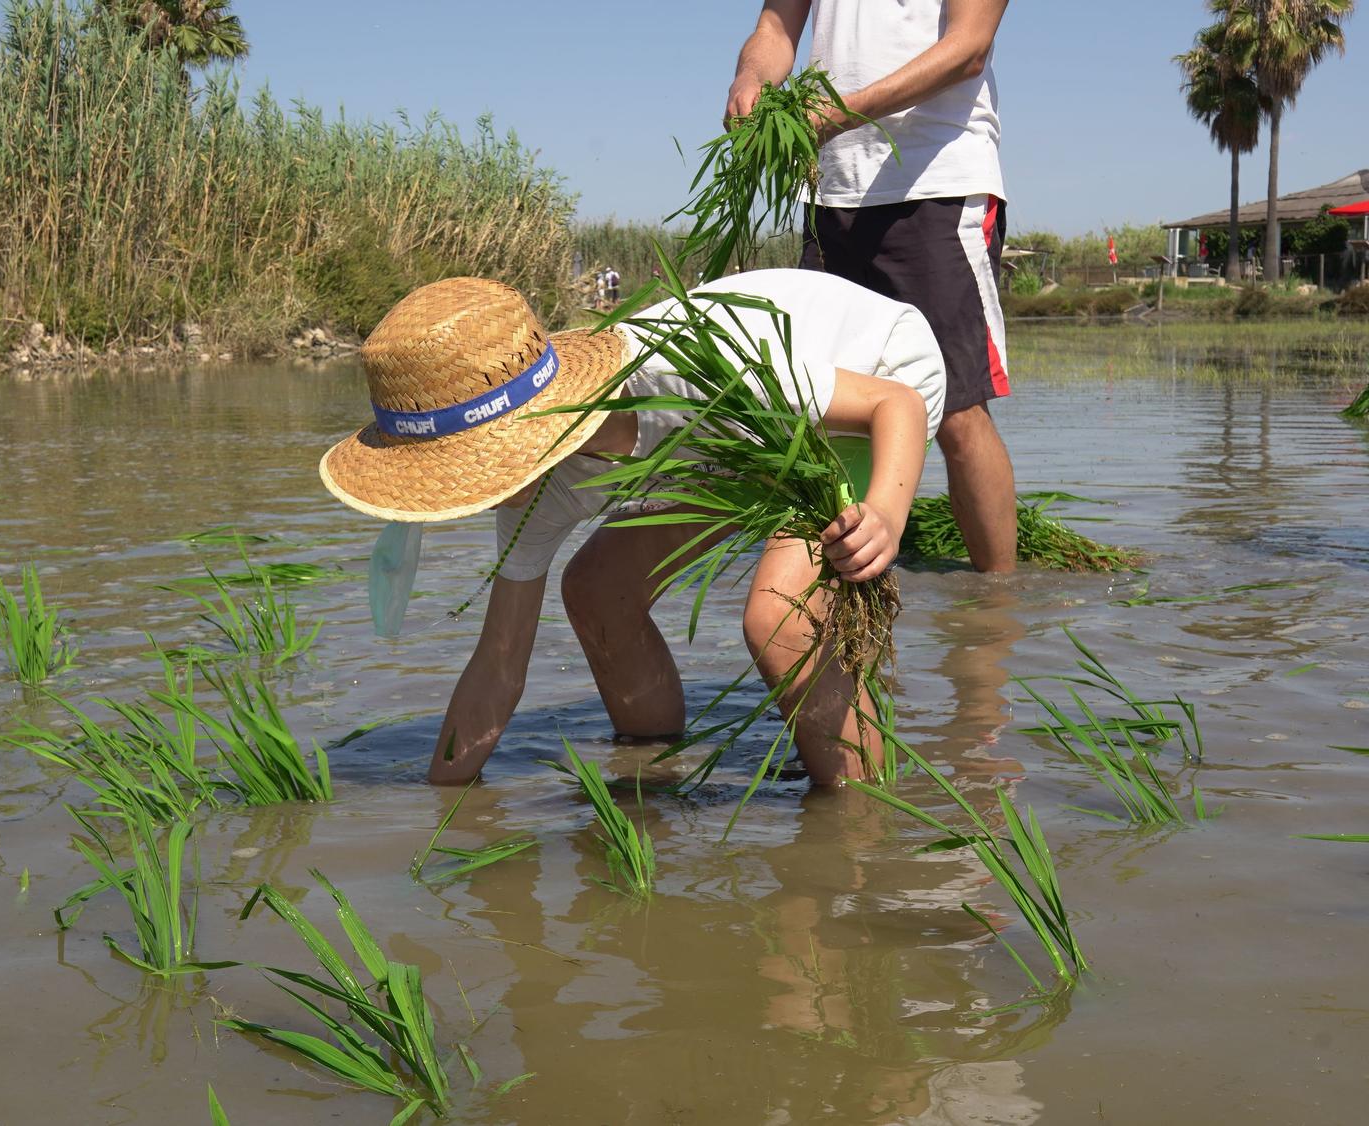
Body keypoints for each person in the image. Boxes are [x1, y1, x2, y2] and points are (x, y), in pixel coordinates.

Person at [319, 270, 945, 786]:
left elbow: (897, 404)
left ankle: (861, 820)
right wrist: (442, 803)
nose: (477, 497)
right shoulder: (529, 495)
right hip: (726, 444)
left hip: (871, 384)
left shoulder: (684, 373)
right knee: (595, 588)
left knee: (777, 617)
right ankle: (651, 769)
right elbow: (500, 662)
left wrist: (886, 517)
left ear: (521, 438)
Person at [726, 0, 1017, 573]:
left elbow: (968, 49)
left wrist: (837, 112)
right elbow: (775, 27)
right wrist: (750, 78)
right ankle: (829, 607)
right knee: (821, 409)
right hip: (831, 193)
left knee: (957, 411)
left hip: (936, 179)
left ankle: (996, 610)